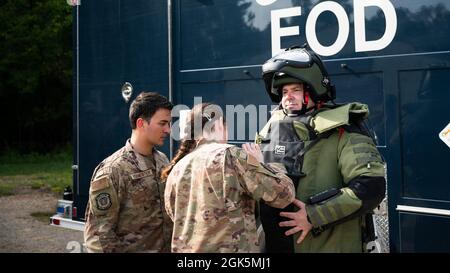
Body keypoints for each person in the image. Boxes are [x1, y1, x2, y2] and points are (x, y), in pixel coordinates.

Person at [256, 45, 386, 253]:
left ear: (314, 90)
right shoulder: (271, 128)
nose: (288, 97)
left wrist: (313, 216)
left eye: (296, 90)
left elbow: (371, 187)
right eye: (284, 91)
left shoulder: (344, 130)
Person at [161, 103, 295, 253]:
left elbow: (174, 215)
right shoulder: (230, 155)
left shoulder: (177, 168)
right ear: (218, 125)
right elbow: (284, 195)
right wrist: (264, 164)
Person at [84, 92, 173, 253]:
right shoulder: (113, 170)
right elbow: (98, 237)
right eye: (162, 123)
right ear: (141, 123)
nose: (168, 129)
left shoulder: (163, 161)